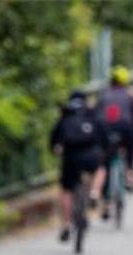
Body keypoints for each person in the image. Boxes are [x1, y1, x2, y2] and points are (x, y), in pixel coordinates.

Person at [50, 90, 107, 242]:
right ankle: (94, 192)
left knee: (67, 190)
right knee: (101, 169)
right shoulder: (91, 113)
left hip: (71, 157)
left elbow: (54, 140)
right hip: (91, 155)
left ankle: (67, 224)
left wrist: (55, 149)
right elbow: (103, 136)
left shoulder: (66, 115)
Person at [96, 65, 133, 216]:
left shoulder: (103, 95)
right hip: (126, 128)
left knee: (105, 163)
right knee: (130, 150)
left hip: (106, 129)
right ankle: (130, 177)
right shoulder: (132, 95)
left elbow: (96, 116)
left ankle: (106, 203)